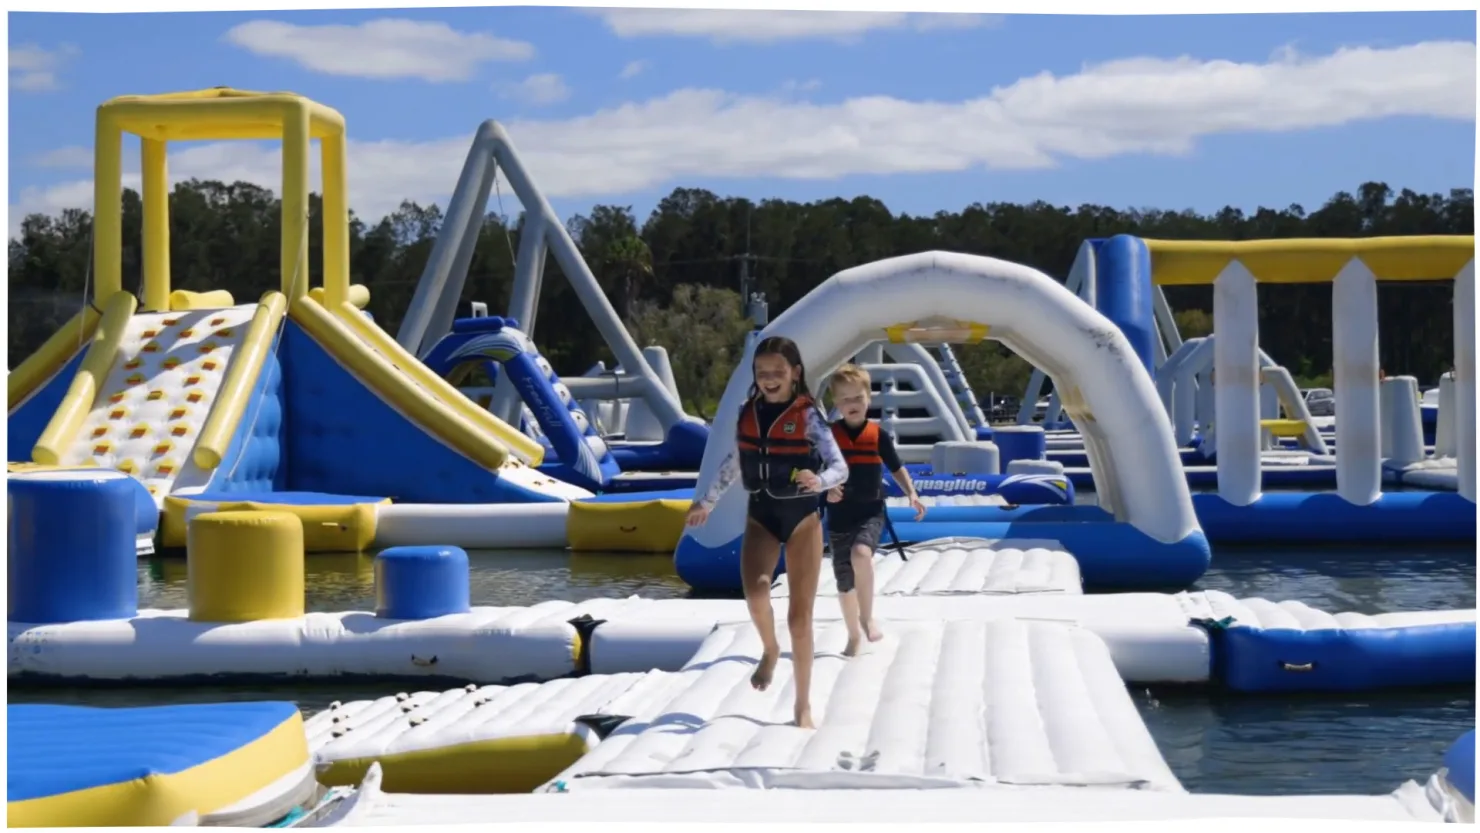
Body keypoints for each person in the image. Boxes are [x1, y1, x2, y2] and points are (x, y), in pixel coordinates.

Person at [685, 336, 848, 729]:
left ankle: (802, 705)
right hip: (761, 516)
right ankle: (770, 650)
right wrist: (706, 502)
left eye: (778, 372)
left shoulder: (809, 417)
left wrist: (820, 480)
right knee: (756, 594)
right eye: (762, 372)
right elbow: (734, 462)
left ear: (795, 373)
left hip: (803, 519)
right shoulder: (748, 413)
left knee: (799, 618)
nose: (769, 379)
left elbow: (839, 467)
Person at [823, 363, 925, 657]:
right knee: (845, 583)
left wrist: (912, 493)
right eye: (845, 399)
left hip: (870, 511)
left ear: (869, 398)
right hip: (840, 517)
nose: (852, 404)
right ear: (836, 403)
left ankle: (867, 618)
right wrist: (827, 487)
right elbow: (818, 471)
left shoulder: (877, 435)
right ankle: (853, 635)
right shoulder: (829, 437)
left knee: (861, 554)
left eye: (858, 397)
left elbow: (896, 467)